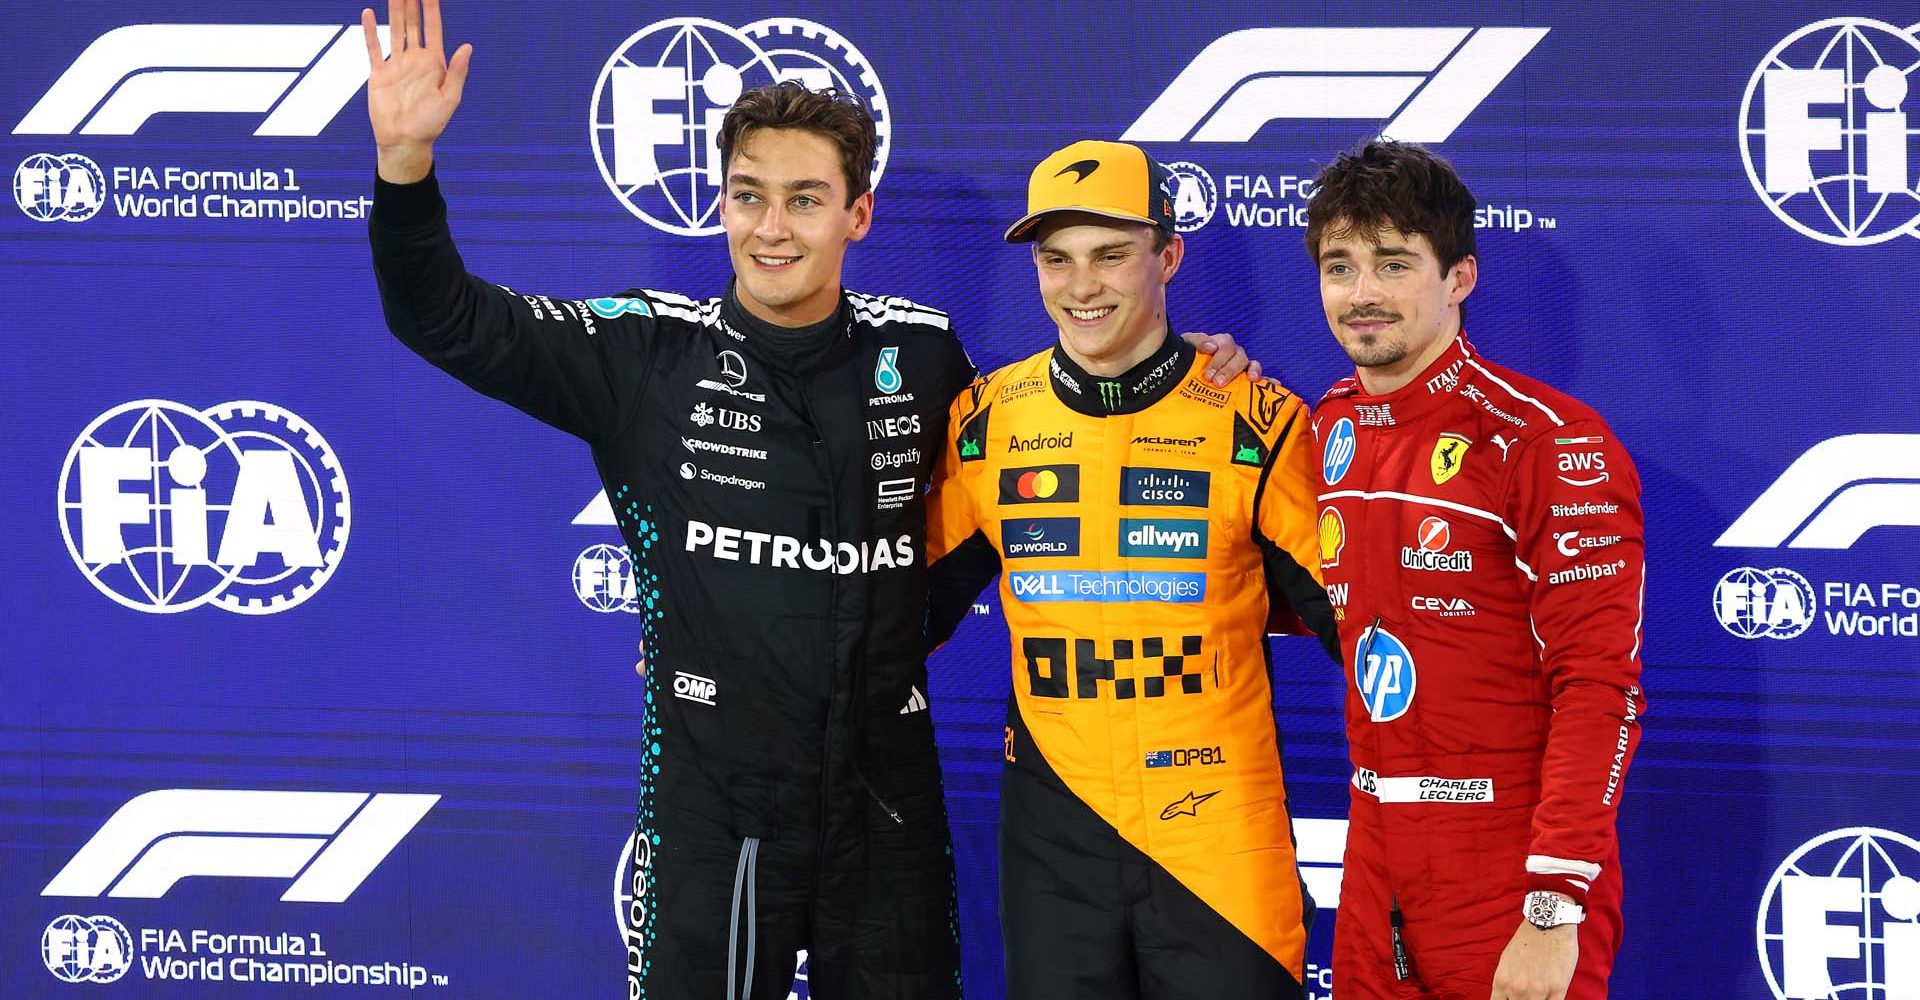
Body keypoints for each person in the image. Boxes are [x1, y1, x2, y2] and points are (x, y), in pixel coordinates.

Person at [360, 5, 1252, 996]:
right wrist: (405, 163)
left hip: (887, 808)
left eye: (803, 199)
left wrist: (1183, 372)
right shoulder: (644, 354)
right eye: (748, 197)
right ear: (722, 204)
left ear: (855, 215)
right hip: (715, 810)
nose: (771, 227)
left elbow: (1037, 460)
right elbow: (441, 316)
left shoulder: (922, 355)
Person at [924, 140, 1339, 1000]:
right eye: (1056, 260)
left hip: (1219, 845)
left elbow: (1368, 627)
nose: (1082, 288)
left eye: (1112, 255)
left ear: (1169, 255)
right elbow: (887, 615)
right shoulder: (986, 422)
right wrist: (727, 647)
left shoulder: (1259, 420)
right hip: (1056, 850)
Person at [1302, 140, 1646, 1000]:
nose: (1363, 293)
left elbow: (1600, 685)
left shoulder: (1547, 440)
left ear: (1459, 277)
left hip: (1508, 861)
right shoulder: (1322, 432)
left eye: (1393, 263)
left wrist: (1553, 904)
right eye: (1339, 265)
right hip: (1374, 848)